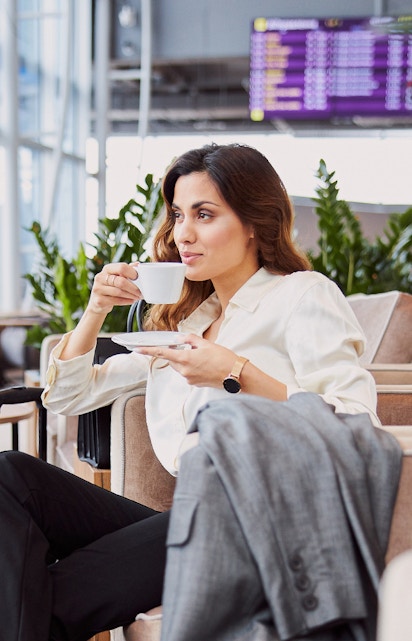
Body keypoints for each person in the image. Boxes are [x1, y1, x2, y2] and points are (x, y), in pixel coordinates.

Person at [0, 143, 387, 641]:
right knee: (12, 476)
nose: (183, 233)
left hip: (263, 520)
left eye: (204, 214)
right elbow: (67, 397)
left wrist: (234, 371)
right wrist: (95, 310)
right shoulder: (190, 327)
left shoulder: (301, 295)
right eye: (178, 215)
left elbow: (359, 426)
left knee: (41, 598)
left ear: (253, 222)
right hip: (194, 512)